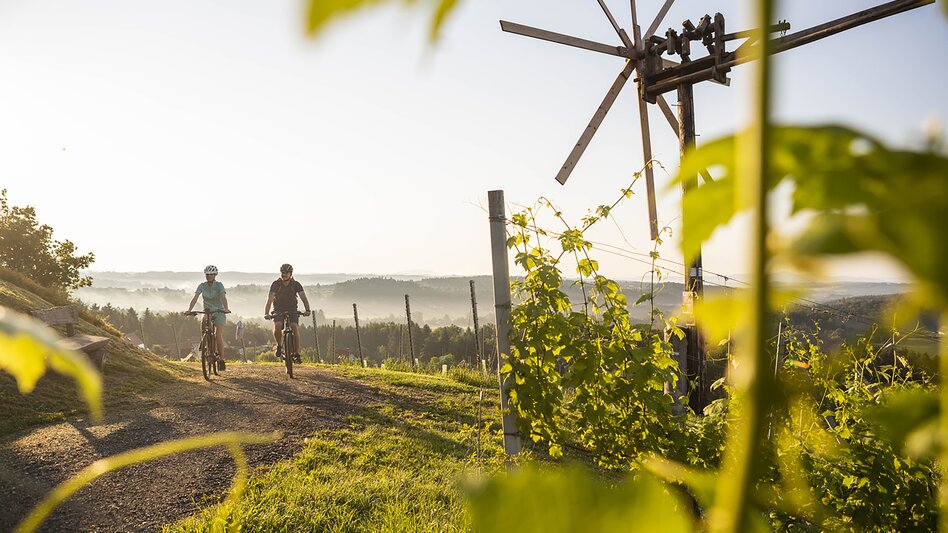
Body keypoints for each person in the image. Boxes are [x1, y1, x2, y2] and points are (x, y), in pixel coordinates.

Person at [264, 263, 311, 364]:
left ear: (290, 274)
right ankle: (279, 346)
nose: (284, 275)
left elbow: (303, 298)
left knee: (294, 327)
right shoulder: (276, 284)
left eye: (286, 273)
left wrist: (308, 310)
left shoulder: (296, 284)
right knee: (278, 325)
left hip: (292, 308)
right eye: (282, 273)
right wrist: (266, 313)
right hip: (278, 308)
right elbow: (270, 299)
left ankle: (297, 353)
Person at [185, 265, 230, 363]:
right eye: (207, 274)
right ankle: (204, 340)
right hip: (207, 311)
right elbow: (195, 298)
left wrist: (226, 308)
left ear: (215, 275)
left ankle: (221, 359)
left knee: (218, 335)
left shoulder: (219, 285)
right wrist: (189, 310)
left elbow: (223, 297)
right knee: (203, 322)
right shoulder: (202, 285)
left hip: (219, 311)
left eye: (211, 274)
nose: (209, 276)